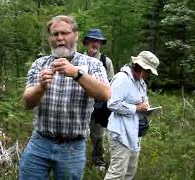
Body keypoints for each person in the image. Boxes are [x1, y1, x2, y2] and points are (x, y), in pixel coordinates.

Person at [19, 15, 111, 180]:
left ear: (75, 35)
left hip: (73, 147)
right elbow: (27, 102)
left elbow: (105, 94)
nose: (60, 38)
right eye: (55, 34)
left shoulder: (93, 64)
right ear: (50, 38)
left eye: (65, 33)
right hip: (40, 142)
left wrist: (76, 73)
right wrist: (40, 88)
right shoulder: (39, 64)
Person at [104, 51, 159, 180]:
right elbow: (112, 104)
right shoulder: (121, 79)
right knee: (117, 173)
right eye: (148, 71)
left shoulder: (140, 82)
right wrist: (135, 108)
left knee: (130, 171)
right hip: (120, 132)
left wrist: (146, 108)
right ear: (139, 67)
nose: (148, 75)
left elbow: (142, 101)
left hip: (134, 132)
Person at [82, 28, 114, 170]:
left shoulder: (106, 62)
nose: (95, 44)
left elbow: (111, 85)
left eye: (98, 41)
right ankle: (77, 160)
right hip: (80, 104)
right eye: (92, 40)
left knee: (98, 135)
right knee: (78, 133)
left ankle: (98, 161)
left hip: (99, 105)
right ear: (87, 42)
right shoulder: (77, 59)